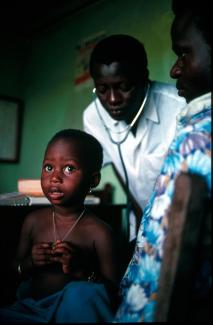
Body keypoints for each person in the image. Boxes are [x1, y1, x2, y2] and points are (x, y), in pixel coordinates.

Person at [114, 0, 211, 322]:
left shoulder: (193, 133)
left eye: (183, 53)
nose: (174, 69)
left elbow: (155, 280)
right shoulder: (93, 118)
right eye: (101, 90)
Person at [0, 129, 120, 323]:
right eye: (48, 168)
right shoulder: (33, 221)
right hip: (32, 308)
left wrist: (83, 271)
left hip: (74, 312)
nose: (54, 177)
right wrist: (30, 262)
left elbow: (113, 292)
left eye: (69, 169)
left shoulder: (100, 232)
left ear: (93, 180)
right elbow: (14, 271)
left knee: (82, 294)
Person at [83, 34, 186, 241]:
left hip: (180, 221)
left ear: (144, 77)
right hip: (138, 222)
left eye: (124, 87)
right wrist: (140, 214)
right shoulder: (93, 117)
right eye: (102, 90)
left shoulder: (179, 108)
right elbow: (119, 165)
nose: (112, 99)